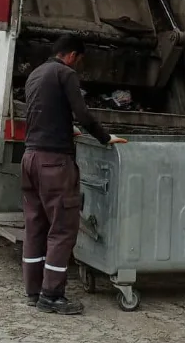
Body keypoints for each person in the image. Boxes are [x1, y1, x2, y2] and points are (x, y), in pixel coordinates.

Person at [22, 33, 126, 315]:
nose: (78, 66)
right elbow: (82, 113)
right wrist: (106, 138)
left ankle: (33, 291)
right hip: (55, 164)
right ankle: (52, 295)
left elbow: (44, 113)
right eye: (79, 61)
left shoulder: (35, 75)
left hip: (30, 159)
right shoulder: (65, 74)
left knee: (36, 227)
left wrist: (66, 128)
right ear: (72, 55)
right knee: (62, 229)